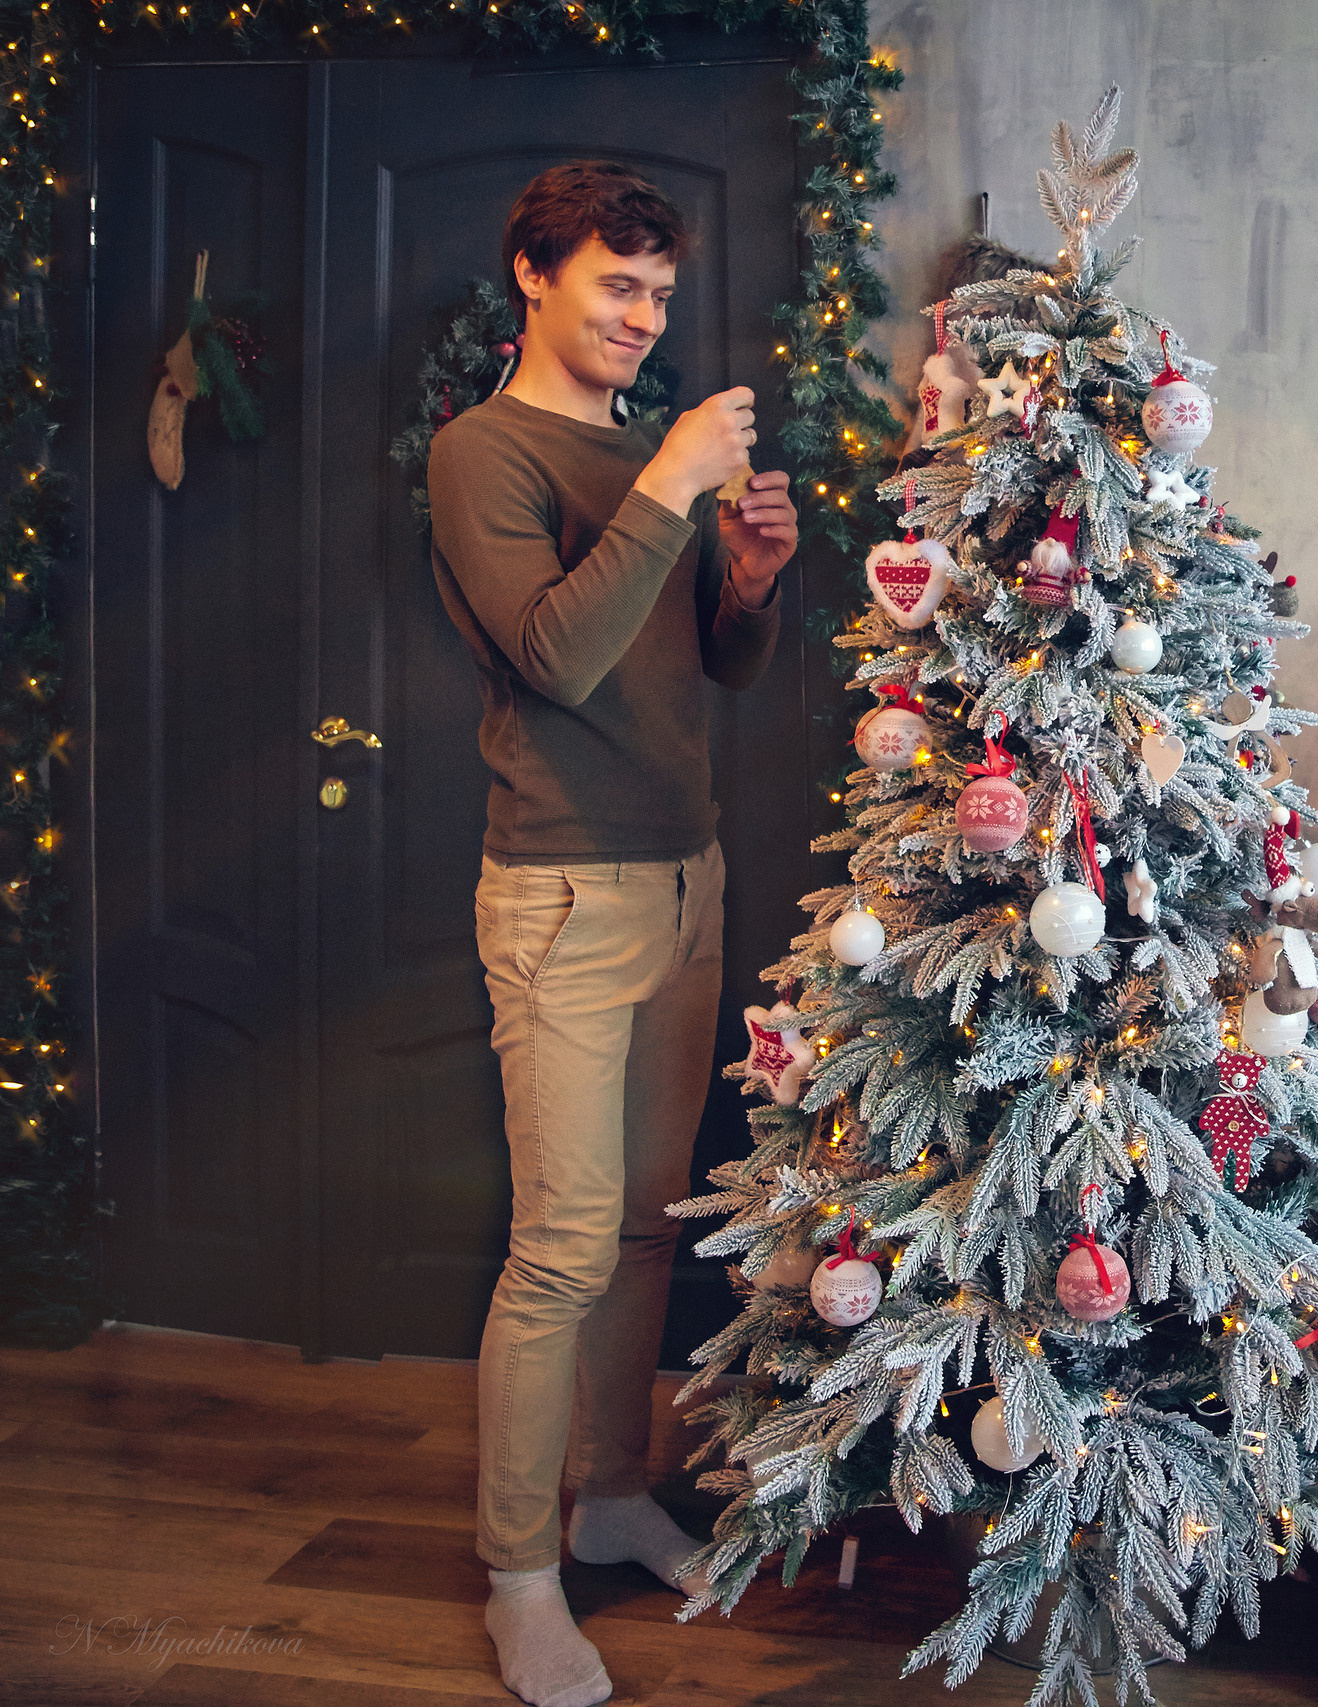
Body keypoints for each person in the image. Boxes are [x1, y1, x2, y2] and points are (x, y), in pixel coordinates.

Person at [427, 160, 799, 1707]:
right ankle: (521, 1570)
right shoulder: (481, 450)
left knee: (646, 1222)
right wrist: (667, 491)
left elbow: (705, 661)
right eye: (615, 285)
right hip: (564, 891)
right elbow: (558, 656)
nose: (644, 316)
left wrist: (755, 579)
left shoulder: (650, 452)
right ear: (535, 275)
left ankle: (618, 1493)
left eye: (658, 291)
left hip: (686, 874)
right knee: (564, 1241)